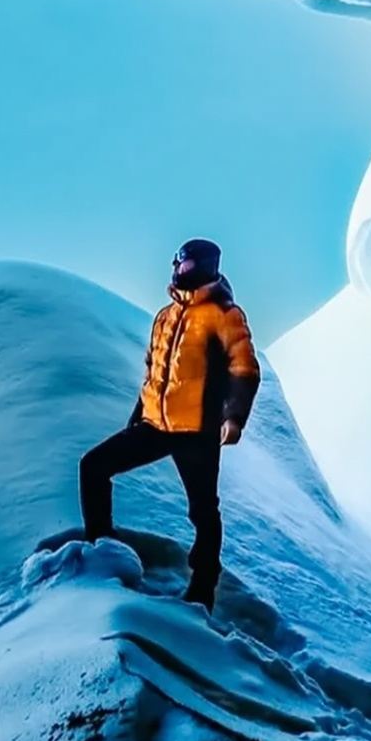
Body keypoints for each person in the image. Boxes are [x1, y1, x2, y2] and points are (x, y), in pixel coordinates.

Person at [79, 238, 261, 611]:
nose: (180, 270)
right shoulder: (165, 316)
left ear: (208, 267)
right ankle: (102, 548)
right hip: (156, 425)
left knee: (203, 511)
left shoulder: (224, 315)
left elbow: (244, 369)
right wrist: (138, 417)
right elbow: (155, 374)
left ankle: (202, 589)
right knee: (93, 466)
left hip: (197, 430)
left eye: (189, 265)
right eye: (178, 262)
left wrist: (234, 418)